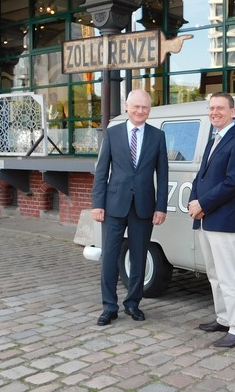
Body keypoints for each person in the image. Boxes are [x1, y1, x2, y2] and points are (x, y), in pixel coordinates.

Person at [92, 89, 168, 326]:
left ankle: (133, 303)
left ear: (149, 110)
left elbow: (163, 174)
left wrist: (161, 207)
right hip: (114, 205)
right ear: (127, 106)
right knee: (110, 258)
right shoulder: (112, 134)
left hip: (144, 206)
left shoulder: (157, 136)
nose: (140, 111)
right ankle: (109, 307)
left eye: (145, 107)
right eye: (136, 106)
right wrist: (98, 204)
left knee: (138, 257)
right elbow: (102, 171)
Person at [188, 92, 235, 348]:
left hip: (222, 219)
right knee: (214, 274)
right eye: (211, 108)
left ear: (232, 112)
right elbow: (201, 176)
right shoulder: (213, 138)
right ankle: (224, 318)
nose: (214, 112)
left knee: (228, 275)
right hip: (204, 218)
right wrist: (194, 201)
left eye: (220, 108)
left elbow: (233, 183)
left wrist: (203, 204)